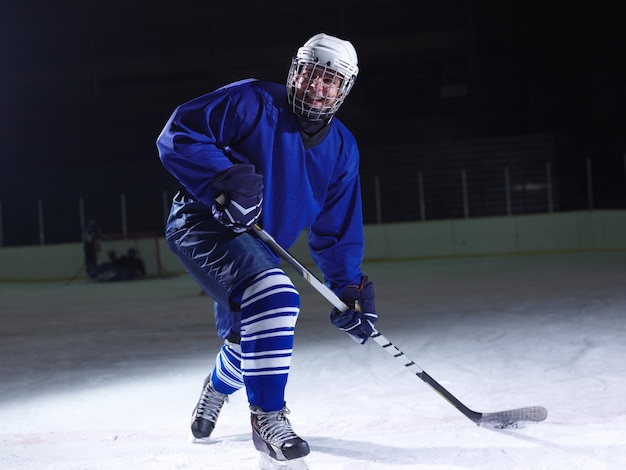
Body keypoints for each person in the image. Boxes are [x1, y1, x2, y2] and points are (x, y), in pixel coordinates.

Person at [156, 33, 377, 463]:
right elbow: (178, 132)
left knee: (250, 340)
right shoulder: (252, 100)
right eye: (312, 74)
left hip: (258, 244)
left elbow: (335, 228)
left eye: (330, 81)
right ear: (296, 71)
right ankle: (268, 418)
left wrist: (349, 287)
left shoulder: (343, 149)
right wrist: (224, 179)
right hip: (203, 223)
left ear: (344, 89)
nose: (317, 86)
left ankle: (216, 388)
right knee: (276, 298)